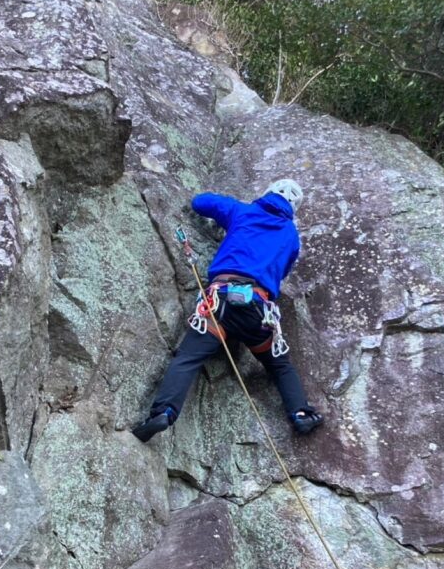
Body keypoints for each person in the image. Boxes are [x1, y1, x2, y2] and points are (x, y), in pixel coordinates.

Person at [132, 179, 323, 442]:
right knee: (279, 365)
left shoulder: (242, 211)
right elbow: (282, 270)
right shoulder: (290, 236)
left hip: (218, 304)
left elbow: (200, 202)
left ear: (268, 193)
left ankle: (162, 413)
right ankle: (301, 414)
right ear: (293, 207)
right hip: (257, 310)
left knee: (187, 358)